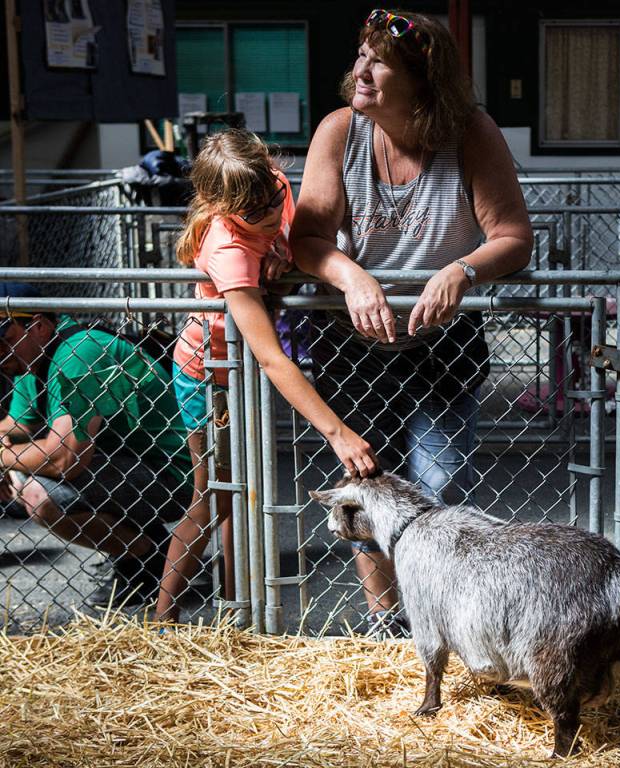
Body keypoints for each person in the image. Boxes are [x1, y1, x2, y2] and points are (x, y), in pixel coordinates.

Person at [290, 9, 533, 636]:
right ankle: (386, 618)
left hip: (441, 340)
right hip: (356, 340)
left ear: (423, 80)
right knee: (366, 482)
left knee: (439, 479)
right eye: (360, 56)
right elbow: (308, 238)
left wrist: (462, 272)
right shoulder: (340, 132)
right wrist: (351, 277)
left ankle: (442, 616)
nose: (360, 72)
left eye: (379, 62)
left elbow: (512, 236)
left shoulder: (470, 132)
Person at [165, 129, 378, 622]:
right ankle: (162, 618)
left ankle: (240, 616)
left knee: (242, 494)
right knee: (214, 497)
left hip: (239, 368)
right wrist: (338, 433)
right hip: (210, 372)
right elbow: (272, 357)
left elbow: (296, 243)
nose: (266, 216)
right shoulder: (229, 250)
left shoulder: (276, 185)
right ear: (220, 206)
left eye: (270, 201)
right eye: (250, 214)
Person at [0, 282, 192, 607]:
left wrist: (4, 457)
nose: (0, 352)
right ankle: (138, 545)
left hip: (173, 476)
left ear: (39, 326)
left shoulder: (79, 352)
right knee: (23, 468)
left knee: (36, 493)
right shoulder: (29, 358)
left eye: (3, 339)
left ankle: (148, 556)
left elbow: (65, 458)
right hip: (127, 464)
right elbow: (18, 425)